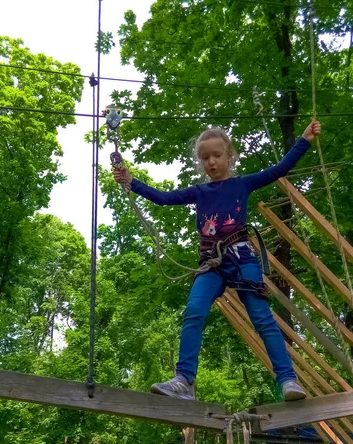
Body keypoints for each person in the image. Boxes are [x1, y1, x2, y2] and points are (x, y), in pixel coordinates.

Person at [113, 121, 322, 402]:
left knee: (261, 317)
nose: (211, 162)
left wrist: (305, 140)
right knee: (194, 311)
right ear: (200, 161)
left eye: (217, 155)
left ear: (230, 156)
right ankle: (184, 379)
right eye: (205, 157)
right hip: (211, 262)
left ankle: (287, 379)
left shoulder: (242, 184)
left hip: (240, 257)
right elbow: (163, 199)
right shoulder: (200, 192)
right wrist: (131, 182)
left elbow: (280, 169)